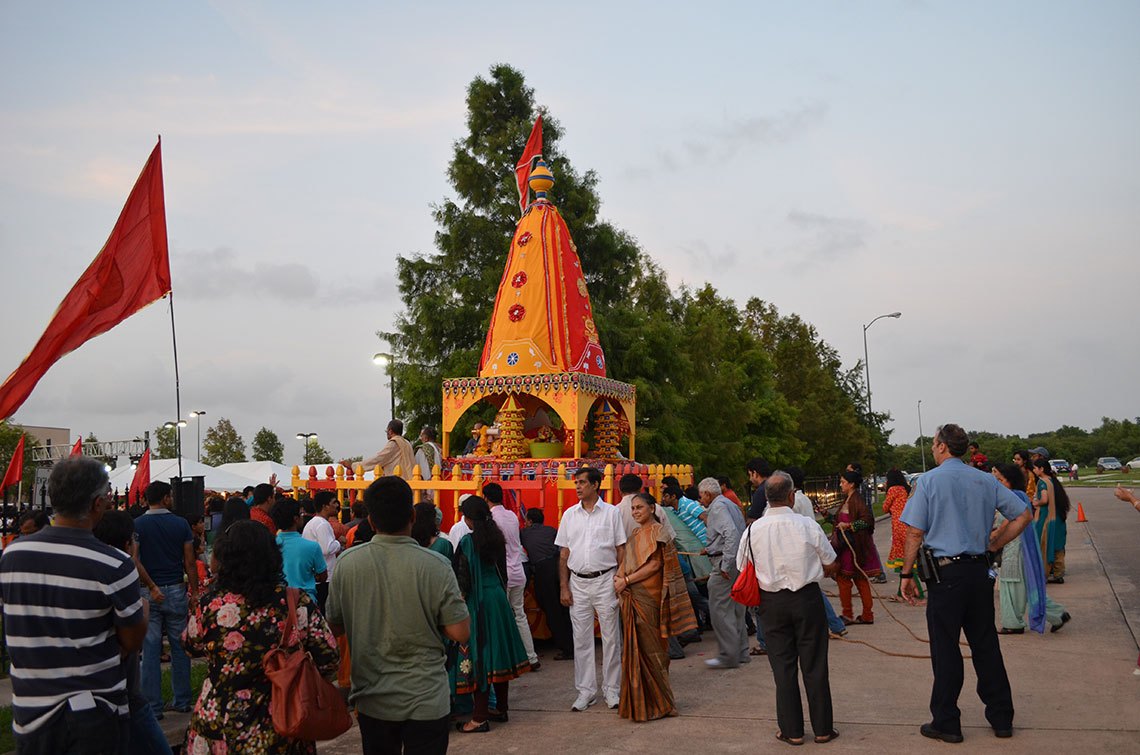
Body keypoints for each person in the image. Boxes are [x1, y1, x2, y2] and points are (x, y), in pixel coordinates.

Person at [0, 457, 146, 752]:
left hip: (31, 714)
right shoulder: (114, 563)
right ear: (97, 503)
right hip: (94, 712)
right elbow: (132, 641)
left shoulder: (12, 555)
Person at [899, 423, 1033, 743]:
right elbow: (1023, 515)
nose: (933, 448)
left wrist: (906, 575)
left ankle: (947, 722)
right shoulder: (985, 480)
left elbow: (914, 532)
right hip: (978, 572)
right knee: (985, 644)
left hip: (946, 575)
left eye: (934, 443)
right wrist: (995, 543)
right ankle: (1001, 717)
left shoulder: (928, 481)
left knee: (945, 648)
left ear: (942, 447)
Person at [327, 476, 470, 754]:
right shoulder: (436, 565)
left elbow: (334, 626)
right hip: (426, 697)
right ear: (412, 516)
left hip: (373, 699)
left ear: (370, 520)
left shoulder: (347, 563)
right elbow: (460, 632)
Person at [184, 520, 339, 753]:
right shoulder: (295, 603)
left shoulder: (210, 606)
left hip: (219, 722)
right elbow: (329, 657)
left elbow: (190, 645)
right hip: (282, 721)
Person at [739, 471, 840, 745]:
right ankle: (823, 729)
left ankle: (792, 731)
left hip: (771, 603)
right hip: (807, 599)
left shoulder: (753, 530)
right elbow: (830, 561)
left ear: (766, 498)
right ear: (792, 496)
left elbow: (742, 565)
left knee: (782, 668)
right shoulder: (807, 525)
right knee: (815, 664)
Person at [93, 509, 173, 755]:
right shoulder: (121, 565)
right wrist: (144, 607)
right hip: (121, 684)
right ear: (128, 541)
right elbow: (132, 641)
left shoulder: (89, 564)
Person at [451, 496, 531, 732]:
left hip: (479, 602)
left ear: (467, 519)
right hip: (497, 598)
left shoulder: (467, 542)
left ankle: (479, 717)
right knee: (498, 653)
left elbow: (462, 580)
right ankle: (501, 708)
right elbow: (503, 572)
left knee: (481, 656)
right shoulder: (496, 538)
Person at [616, 493, 696, 722]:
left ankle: (663, 704)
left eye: (639, 507)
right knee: (635, 651)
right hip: (632, 597)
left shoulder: (659, 531)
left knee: (654, 653)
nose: (635, 512)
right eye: (633, 508)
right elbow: (626, 562)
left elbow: (655, 565)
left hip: (650, 598)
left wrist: (626, 581)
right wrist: (619, 578)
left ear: (652, 508)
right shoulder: (635, 534)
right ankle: (642, 704)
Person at [557, 466, 627, 711]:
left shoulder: (611, 513)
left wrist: (620, 578)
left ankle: (612, 690)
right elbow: (564, 553)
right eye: (576, 482)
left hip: (605, 580)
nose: (577, 487)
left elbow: (621, 548)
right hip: (577, 582)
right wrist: (564, 586)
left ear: (596, 485)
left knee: (611, 637)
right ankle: (585, 691)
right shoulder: (569, 515)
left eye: (582, 482)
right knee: (581, 639)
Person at [134, 480, 198, 718]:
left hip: (148, 591)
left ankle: (153, 704)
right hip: (176, 588)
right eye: (170, 495)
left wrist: (151, 586)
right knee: (180, 645)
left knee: (150, 648)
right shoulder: (181, 524)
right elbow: (189, 561)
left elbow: (134, 559)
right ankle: (182, 700)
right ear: (165, 498)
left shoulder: (137, 524)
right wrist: (195, 591)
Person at [991, 464, 1070, 634]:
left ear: (1010, 481)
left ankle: (1013, 623)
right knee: (1029, 585)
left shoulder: (1012, 496)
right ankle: (1057, 614)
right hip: (1022, 547)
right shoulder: (1020, 495)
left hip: (1014, 547)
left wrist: (994, 535)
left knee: (1010, 585)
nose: (997, 483)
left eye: (1000, 480)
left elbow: (1008, 521)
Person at [485, 482, 540, 671]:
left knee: (502, 617)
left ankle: (508, 660)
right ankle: (531, 657)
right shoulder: (512, 516)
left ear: (486, 498)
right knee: (520, 615)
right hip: (518, 570)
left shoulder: (490, 518)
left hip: (504, 573)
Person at [698, 476, 749, 669]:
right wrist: (711, 549)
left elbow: (731, 534)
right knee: (736, 609)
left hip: (725, 563)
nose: (700, 500)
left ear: (707, 494)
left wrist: (725, 564)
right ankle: (741, 652)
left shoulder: (718, 507)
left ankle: (728, 655)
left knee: (720, 609)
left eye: (701, 496)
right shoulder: (729, 504)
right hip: (736, 560)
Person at [520, 507, 574, 660]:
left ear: (530, 521)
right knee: (564, 609)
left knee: (552, 610)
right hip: (559, 567)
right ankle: (572, 643)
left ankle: (566, 648)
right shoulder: (551, 530)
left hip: (543, 571)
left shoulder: (524, 533)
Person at [832, 470, 881, 625]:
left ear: (851, 484)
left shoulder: (856, 501)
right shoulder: (849, 499)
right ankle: (866, 614)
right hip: (850, 546)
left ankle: (850, 614)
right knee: (859, 580)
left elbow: (867, 520)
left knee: (846, 579)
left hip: (854, 547)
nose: (841, 485)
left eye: (843, 482)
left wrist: (849, 525)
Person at [273, 498, 327, 604]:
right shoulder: (312, 546)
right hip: (306, 601)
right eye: (301, 514)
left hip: (279, 601)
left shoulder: (270, 545)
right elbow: (323, 576)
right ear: (296, 519)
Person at [303, 490, 342, 611]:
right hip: (325, 576)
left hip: (317, 575)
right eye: (334, 502)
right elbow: (327, 549)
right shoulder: (322, 524)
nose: (337, 505)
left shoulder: (314, 523)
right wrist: (339, 543)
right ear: (325, 506)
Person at [1032, 459, 1070, 584]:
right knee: (1058, 546)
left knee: (1044, 544)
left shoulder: (1042, 482)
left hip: (1046, 518)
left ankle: (1044, 573)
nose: (1033, 470)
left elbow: (1044, 499)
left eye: (1035, 468)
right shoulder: (1053, 481)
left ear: (1041, 469)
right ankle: (1058, 574)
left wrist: (1036, 503)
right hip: (1058, 518)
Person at [617, 473, 675, 540]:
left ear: (620, 491)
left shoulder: (616, 511)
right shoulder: (656, 508)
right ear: (640, 489)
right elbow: (670, 536)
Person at [415, 427, 443, 499]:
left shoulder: (422, 449)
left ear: (426, 438)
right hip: (439, 484)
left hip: (426, 486)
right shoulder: (440, 449)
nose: (420, 438)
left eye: (421, 435)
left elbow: (419, 469)